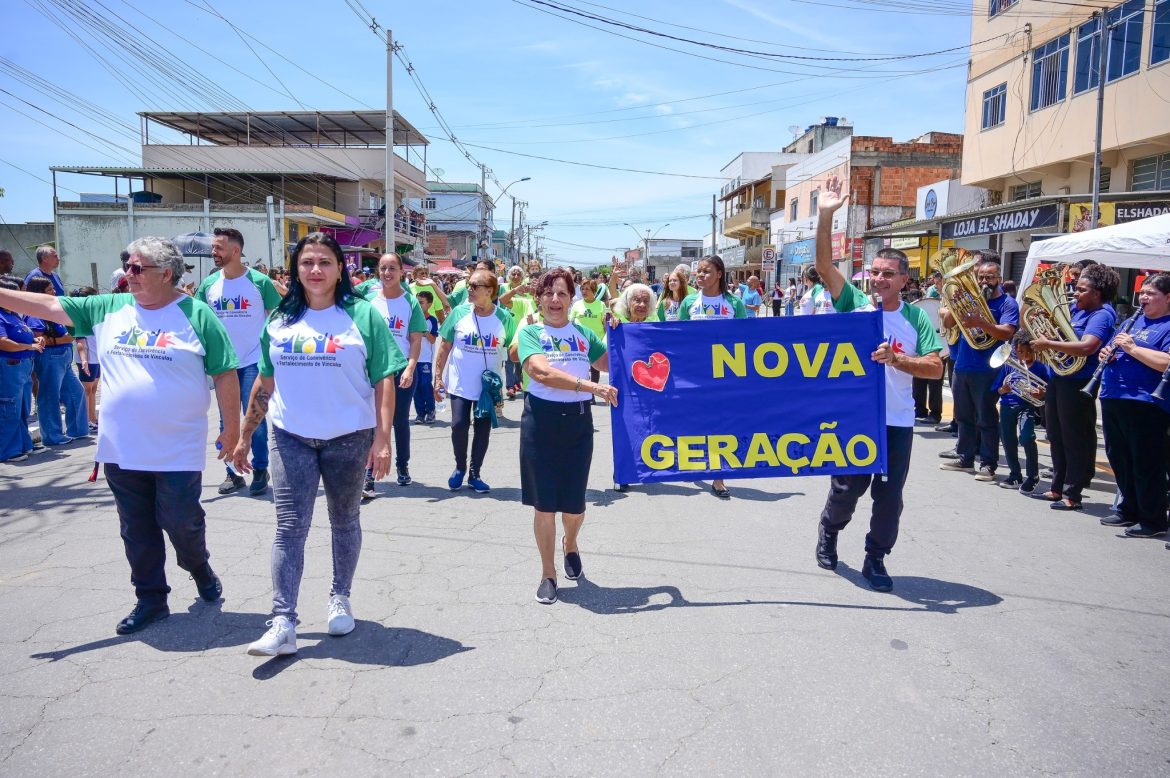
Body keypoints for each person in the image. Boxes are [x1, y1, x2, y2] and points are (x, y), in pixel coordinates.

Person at [0, 236, 242, 634]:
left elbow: (225, 372)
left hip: (176, 446)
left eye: (138, 268)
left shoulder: (196, 314)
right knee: (136, 527)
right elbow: (45, 306)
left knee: (181, 521)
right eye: (127, 266)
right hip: (121, 447)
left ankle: (198, 567)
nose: (129, 274)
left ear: (167, 274)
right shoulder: (107, 307)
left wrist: (232, 429)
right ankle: (151, 599)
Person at [234, 232, 401, 657]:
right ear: (296, 269)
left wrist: (382, 440)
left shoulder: (362, 315)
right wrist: (245, 434)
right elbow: (265, 381)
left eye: (325, 262)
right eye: (307, 262)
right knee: (289, 526)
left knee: (344, 520)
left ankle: (339, 596)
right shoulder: (280, 319)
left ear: (340, 269)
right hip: (290, 435)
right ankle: (283, 621)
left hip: (349, 436)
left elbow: (383, 379)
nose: (315, 270)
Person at [812, 190, 944, 592]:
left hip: (896, 421)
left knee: (889, 498)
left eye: (889, 273)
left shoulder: (916, 317)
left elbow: (936, 367)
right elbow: (823, 265)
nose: (880, 279)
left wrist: (898, 360)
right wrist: (825, 215)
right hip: (854, 419)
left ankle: (876, 558)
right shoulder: (853, 303)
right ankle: (829, 531)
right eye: (876, 272)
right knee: (847, 490)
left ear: (904, 280)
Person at [514, 268, 618, 604]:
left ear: (572, 298)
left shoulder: (584, 335)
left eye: (562, 293)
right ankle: (548, 573)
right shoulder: (531, 333)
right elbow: (541, 373)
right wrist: (591, 386)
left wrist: (620, 332)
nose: (555, 300)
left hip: (578, 424)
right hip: (540, 422)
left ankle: (570, 543)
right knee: (544, 505)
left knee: (573, 505)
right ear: (539, 299)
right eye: (548, 293)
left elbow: (610, 362)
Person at [196, 227, 283, 496]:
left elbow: (277, 318)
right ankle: (233, 472)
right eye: (213, 247)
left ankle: (260, 469)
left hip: (254, 361)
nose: (214, 252)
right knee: (227, 420)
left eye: (219, 248)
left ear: (235, 251)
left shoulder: (259, 282)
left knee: (254, 418)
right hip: (224, 365)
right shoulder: (209, 285)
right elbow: (198, 320)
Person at [1030, 263, 1119, 511]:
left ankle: (1073, 493)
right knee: (1056, 434)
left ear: (1097, 293)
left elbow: (1087, 346)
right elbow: (1061, 333)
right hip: (1060, 376)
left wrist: (1049, 343)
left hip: (1079, 381)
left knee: (1075, 438)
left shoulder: (1102, 314)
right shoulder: (1077, 309)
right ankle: (1057, 487)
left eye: (1081, 289)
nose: (1074, 293)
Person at [1097, 274, 1170, 539]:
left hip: (1145, 401)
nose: (1144, 297)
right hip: (1114, 395)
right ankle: (1129, 508)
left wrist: (1132, 348)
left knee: (1145, 462)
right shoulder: (1132, 321)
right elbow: (1112, 347)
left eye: (1151, 293)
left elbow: (1166, 361)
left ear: (1168, 298)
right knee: (1119, 457)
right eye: (1143, 292)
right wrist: (1106, 353)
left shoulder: (1167, 325)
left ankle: (1153, 519)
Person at [432, 268, 516, 493]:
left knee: (482, 429)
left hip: (486, 389)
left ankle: (475, 473)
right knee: (458, 425)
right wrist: (438, 377)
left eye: (474, 286)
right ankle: (459, 467)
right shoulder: (459, 313)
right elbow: (445, 346)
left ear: (489, 291)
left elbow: (514, 349)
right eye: (469, 285)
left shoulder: (504, 318)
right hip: (459, 383)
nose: (469, 289)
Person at [938, 252, 1018, 481]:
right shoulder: (972, 299)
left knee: (986, 418)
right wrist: (954, 305)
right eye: (980, 277)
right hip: (963, 364)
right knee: (963, 415)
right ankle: (965, 458)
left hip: (988, 368)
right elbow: (948, 323)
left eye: (989, 277)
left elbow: (1007, 332)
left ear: (999, 279)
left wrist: (981, 322)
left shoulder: (1007, 303)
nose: (984, 282)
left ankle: (988, 464)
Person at [678, 255, 747, 499]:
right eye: (698, 271)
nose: (700, 275)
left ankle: (719, 477)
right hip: (695, 375)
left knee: (722, 425)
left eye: (706, 271)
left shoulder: (734, 304)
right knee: (695, 422)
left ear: (719, 274)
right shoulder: (689, 303)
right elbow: (678, 338)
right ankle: (694, 461)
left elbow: (745, 339)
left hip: (724, 377)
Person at [363, 252, 425, 493]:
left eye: (392, 268)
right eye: (383, 268)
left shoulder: (410, 302)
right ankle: (368, 473)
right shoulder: (369, 301)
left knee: (399, 420)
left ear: (401, 272)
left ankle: (402, 466)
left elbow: (416, 339)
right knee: (372, 422)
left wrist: (410, 367)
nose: (387, 273)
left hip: (401, 370)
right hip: (373, 372)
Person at [25, 276, 89, 446]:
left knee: (76, 392)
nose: (54, 292)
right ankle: (52, 436)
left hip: (64, 358)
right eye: (49, 289)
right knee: (49, 396)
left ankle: (78, 430)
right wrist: (65, 339)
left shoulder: (51, 310)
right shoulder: (35, 314)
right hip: (50, 358)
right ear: (39, 292)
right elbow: (39, 339)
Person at [995, 332, 1046, 492]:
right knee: (1008, 441)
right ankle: (1015, 475)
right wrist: (1003, 389)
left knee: (1027, 437)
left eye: (1029, 351)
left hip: (1027, 407)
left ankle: (1032, 476)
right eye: (1021, 352)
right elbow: (997, 389)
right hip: (1007, 406)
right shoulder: (1008, 366)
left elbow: (1047, 388)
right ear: (1015, 351)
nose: (1025, 355)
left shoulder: (1040, 368)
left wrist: (1041, 393)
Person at [0, 276, 43, 462]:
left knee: (22, 408)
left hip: (24, 366)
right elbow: (3, 342)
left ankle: (24, 444)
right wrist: (29, 346)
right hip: (10, 366)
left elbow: (24, 335)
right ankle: (8, 451)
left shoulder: (13, 315)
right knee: (9, 407)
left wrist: (35, 340)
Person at [499, 266, 535, 399]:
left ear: (522, 276)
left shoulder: (528, 290)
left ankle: (517, 380)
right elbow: (501, 302)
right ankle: (510, 386)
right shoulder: (504, 287)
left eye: (518, 274)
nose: (515, 277)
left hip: (523, 327)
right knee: (509, 358)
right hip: (508, 326)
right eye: (513, 274)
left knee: (519, 359)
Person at [569, 279, 607, 399]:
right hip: (580, 342)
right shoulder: (577, 305)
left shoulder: (601, 305)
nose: (584, 291)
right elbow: (570, 322)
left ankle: (592, 394)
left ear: (594, 291)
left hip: (597, 341)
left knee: (595, 369)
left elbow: (605, 324)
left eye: (587, 289)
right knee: (583, 367)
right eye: (582, 289)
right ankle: (584, 391)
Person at [71, 287, 101, 434]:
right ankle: (86, 421)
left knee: (93, 389)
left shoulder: (95, 316)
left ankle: (93, 419)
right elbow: (80, 342)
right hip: (88, 360)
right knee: (86, 391)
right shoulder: (80, 319)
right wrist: (84, 361)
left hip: (97, 359)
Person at [413, 290, 440, 424]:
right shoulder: (412, 317)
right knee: (415, 386)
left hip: (425, 359)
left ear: (429, 304)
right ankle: (420, 413)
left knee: (425, 384)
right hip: (413, 358)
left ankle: (430, 411)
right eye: (417, 302)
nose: (418, 305)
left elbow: (433, 340)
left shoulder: (432, 320)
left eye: (421, 302)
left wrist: (424, 331)